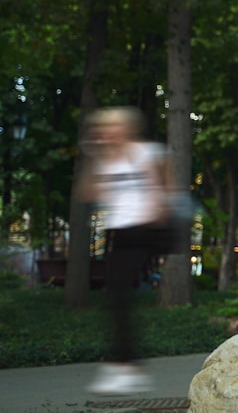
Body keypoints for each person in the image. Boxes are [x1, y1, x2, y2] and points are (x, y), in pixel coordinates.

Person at [78, 107, 172, 396]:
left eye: (114, 129)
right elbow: (87, 194)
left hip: (143, 231)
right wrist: (93, 158)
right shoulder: (104, 161)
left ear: (127, 129)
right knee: (115, 297)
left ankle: (128, 367)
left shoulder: (147, 153)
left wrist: (158, 206)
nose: (109, 135)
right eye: (104, 130)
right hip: (119, 233)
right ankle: (127, 366)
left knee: (118, 295)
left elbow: (167, 184)